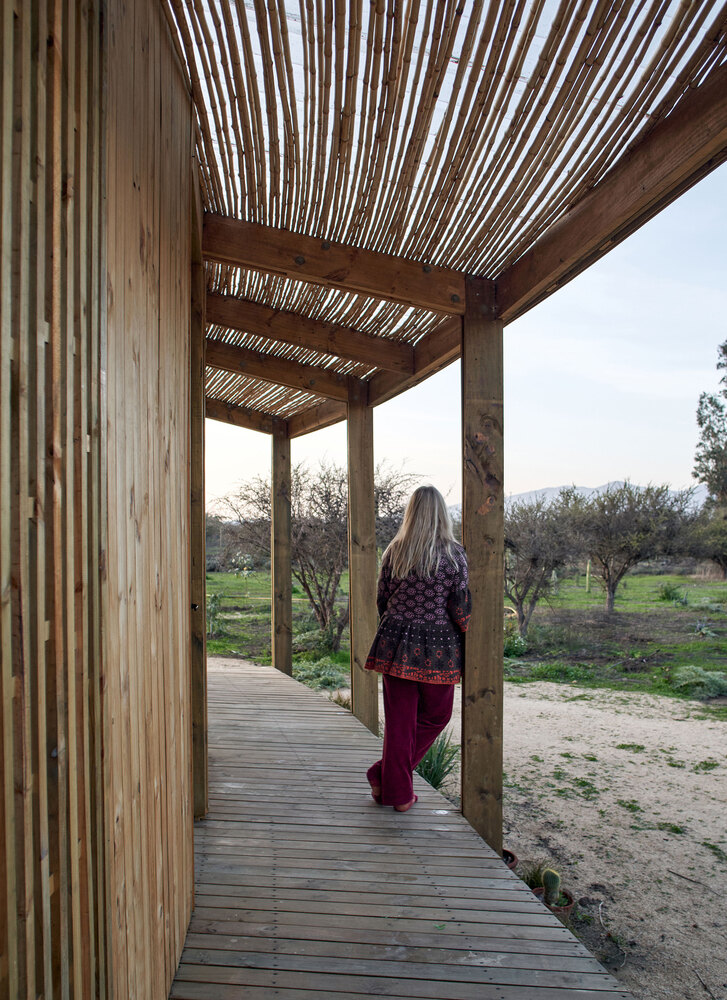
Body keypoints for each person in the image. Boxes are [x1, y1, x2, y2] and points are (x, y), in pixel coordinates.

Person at [365, 485, 471, 812]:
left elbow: (382, 598)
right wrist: (467, 630)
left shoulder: (395, 551)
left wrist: (399, 624)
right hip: (438, 647)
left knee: (400, 722)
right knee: (437, 715)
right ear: (442, 513)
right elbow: (460, 607)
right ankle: (394, 789)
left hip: (395, 641)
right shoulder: (453, 555)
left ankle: (389, 781)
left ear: (411, 512)